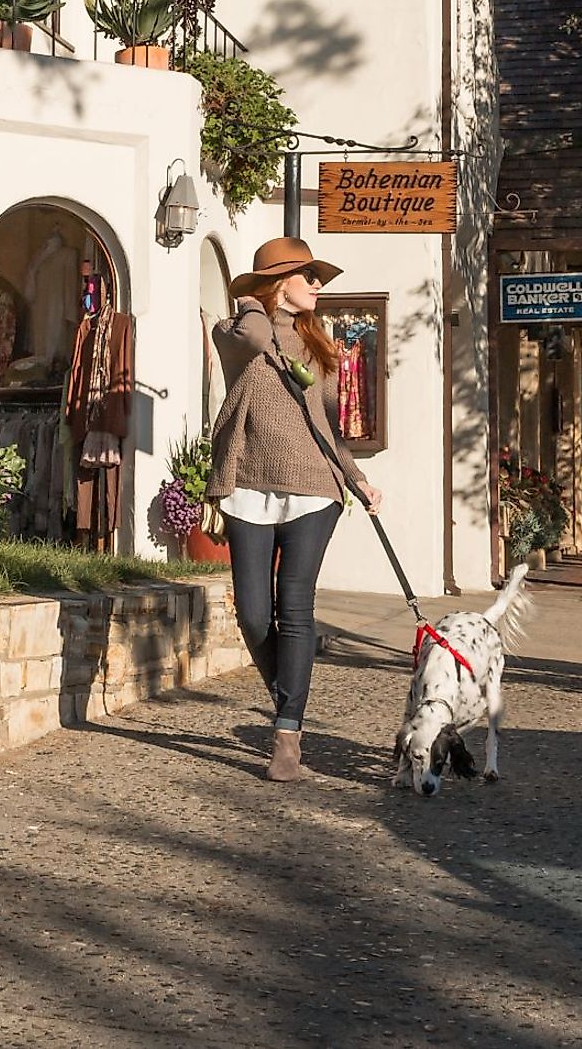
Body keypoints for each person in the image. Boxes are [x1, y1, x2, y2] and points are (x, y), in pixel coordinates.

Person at [207, 237, 381, 783]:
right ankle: (288, 695)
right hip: (248, 486)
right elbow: (256, 333)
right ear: (280, 282)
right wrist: (259, 299)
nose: (319, 286)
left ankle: (287, 733)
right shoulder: (239, 334)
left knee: (296, 606)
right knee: (254, 614)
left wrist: (357, 480)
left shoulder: (320, 348)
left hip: (313, 487)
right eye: (309, 277)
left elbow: (327, 427)